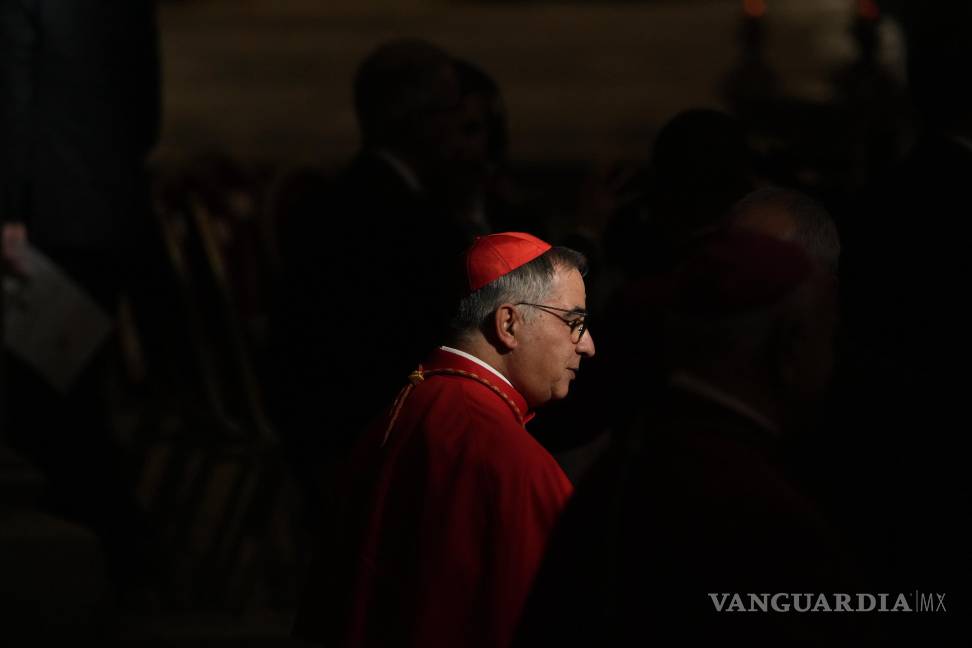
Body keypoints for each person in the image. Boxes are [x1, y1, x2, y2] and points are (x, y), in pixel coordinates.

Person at [516, 231, 873, 647]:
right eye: (828, 340)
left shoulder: (627, 462)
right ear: (789, 347)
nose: (834, 363)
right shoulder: (759, 507)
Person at [294, 231, 595, 648]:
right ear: (508, 323)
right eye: (575, 323)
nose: (588, 346)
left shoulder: (416, 401)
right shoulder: (505, 455)